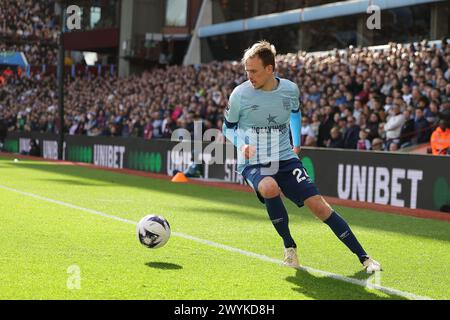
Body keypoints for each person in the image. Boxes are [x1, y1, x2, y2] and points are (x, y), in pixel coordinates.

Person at [222, 41, 381, 273]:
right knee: (269, 187)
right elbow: (227, 128)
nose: (249, 76)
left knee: (319, 207)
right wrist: (241, 144)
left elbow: (295, 114)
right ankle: (289, 247)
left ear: (270, 69)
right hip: (254, 161)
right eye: (246, 71)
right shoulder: (240, 94)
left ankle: (365, 257)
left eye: (254, 71)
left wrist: (297, 142)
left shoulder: (289, 89)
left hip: (285, 158)